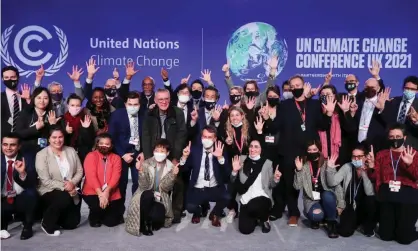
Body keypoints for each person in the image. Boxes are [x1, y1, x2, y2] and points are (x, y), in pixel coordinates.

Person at [272, 75, 335, 226]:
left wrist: (329, 113)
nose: (295, 88)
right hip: (288, 151)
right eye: (292, 86)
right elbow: (276, 126)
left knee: (311, 182)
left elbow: (323, 126)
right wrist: (269, 117)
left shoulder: (313, 105)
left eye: (298, 85)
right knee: (290, 185)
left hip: (309, 153)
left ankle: (317, 210)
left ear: (304, 85)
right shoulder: (285, 105)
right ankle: (294, 212)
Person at [142, 88, 187, 223]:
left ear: (170, 99)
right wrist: (150, 158)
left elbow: (181, 135)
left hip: (172, 153)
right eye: (160, 99)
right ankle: (157, 211)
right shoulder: (149, 113)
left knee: (177, 182)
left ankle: (176, 213)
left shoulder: (178, 113)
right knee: (155, 183)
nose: (163, 102)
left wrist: (175, 157)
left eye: (166, 99)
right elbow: (145, 136)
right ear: (155, 100)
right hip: (155, 153)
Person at [369, 124, 418, 245]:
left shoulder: (413, 153)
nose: (395, 139)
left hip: (407, 195)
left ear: (404, 138)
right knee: (385, 236)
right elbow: (376, 178)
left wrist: (409, 164)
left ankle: (408, 229)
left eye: (398, 136)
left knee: (404, 239)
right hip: (388, 195)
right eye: (392, 137)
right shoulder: (381, 154)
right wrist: (371, 168)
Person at [35, 126, 83, 236]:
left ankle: (56, 217)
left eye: (60, 137)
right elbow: (45, 180)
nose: (58, 140)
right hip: (49, 190)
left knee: (71, 224)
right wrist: (66, 187)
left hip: (71, 189)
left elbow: (80, 171)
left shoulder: (70, 150)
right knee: (64, 197)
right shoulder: (41, 155)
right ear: (48, 139)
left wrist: (72, 183)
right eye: (54, 137)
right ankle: (47, 223)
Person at [125, 139, 179, 236]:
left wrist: (173, 176)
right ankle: (145, 224)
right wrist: (141, 171)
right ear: (153, 151)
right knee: (148, 194)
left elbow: (166, 189)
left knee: (157, 221)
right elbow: (143, 186)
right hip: (145, 196)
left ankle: (148, 220)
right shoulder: (146, 163)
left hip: (160, 198)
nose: (159, 153)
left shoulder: (171, 167)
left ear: (167, 153)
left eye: (162, 151)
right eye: (156, 150)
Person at [180, 125, 230, 227]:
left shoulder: (220, 150)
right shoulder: (194, 150)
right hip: (198, 187)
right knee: (189, 206)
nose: (206, 139)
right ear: (201, 137)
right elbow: (184, 170)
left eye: (209, 137)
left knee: (227, 197)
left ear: (215, 139)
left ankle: (215, 213)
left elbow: (227, 174)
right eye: (204, 137)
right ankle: (198, 212)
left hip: (214, 186)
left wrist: (220, 158)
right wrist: (184, 157)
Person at [293, 140, 344, 238]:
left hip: (326, 197)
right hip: (312, 200)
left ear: (319, 150)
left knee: (327, 195)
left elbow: (335, 184)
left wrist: (330, 169)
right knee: (316, 216)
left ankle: (331, 224)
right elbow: (297, 186)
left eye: (314, 149)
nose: (312, 152)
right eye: (309, 150)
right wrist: (298, 171)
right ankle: (324, 214)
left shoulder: (327, 163)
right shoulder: (303, 164)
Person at [231, 139, 282, 234]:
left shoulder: (267, 163)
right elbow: (232, 180)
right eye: (251, 146)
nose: (253, 149)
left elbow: (271, 185)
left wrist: (275, 179)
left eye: (256, 147)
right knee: (245, 230)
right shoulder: (241, 159)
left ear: (261, 149)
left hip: (262, 196)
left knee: (252, 206)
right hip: (245, 197)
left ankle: (265, 218)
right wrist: (234, 171)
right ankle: (255, 217)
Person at [326, 144, 376, 237]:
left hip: (364, 206)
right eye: (354, 156)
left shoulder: (370, 168)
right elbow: (332, 182)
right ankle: (352, 222)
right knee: (345, 232)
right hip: (349, 203)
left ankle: (367, 226)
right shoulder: (347, 167)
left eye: (359, 156)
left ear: (365, 157)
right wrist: (329, 169)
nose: (356, 159)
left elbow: (370, 192)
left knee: (371, 201)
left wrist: (364, 173)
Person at [108, 91, 143, 215]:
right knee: (121, 184)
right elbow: (112, 137)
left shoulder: (145, 114)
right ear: (125, 103)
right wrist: (122, 154)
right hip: (121, 154)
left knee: (138, 184)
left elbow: (148, 135)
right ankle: (118, 212)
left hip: (139, 154)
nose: (133, 106)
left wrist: (143, 152)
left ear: (140, 104)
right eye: (130, 104)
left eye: (135, 104)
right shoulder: (117, 115)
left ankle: (135, 211)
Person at [1, 133, 38, 240]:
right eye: (5, 144)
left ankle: (27, 226)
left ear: (19, 146)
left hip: (21, 196)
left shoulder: (28, 159)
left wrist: (22, 173)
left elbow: (31, 182)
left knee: (32, 193)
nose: (8, 148)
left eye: (12, 145)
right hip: (3, 197)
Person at [83, 133, 123, 228]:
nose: (104, 146)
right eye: (101, 143)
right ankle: (94, 216)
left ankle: (104, 212)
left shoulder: (116, 158)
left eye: (107, 144)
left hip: (111, 192)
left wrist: (107, 192)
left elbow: (116, 176)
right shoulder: (91, 156)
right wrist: (101, 194)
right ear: (97, 144)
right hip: (92, 191)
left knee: (111, 222)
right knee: (97, 206)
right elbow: (91, 176)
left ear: (111, 145)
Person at [15, 87, 61, 155]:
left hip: (48, 152)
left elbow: (57, 138)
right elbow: (19, 134)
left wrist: (53, 125)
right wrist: (35, 128)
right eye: (39, 98)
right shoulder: (25, 113)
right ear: (33, 99)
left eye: (45, 98)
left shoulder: (52, 115)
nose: (42, 101)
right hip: (27, 152)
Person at [381, 76, 418, 149]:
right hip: (391, 144)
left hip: (411, 146)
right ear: (403, 88)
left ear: (417, 91)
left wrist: (416, 121)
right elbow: (386, 122)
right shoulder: (393, 101)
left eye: (412, 89)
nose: (409, 91)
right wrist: (382, 108)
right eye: (407, 88)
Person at [61, 93, 95, 163]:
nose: (75, 108)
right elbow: (57, 140)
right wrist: (66, 132)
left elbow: (90, 142)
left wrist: (85, 129)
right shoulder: (62, 119)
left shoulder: (86, 119)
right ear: (68, 106)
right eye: (72, 105)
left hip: (83, 155)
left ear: (81, 106)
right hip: (65, 154)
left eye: (78, 105)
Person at [1, 66, 31, 136]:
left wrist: (28, 99)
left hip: (24, 137)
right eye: (6, 78)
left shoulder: (27, 97)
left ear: (18, 78)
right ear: (2, 79)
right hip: (4, 139)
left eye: (12, 77)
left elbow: (31, 115)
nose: (9, 80)